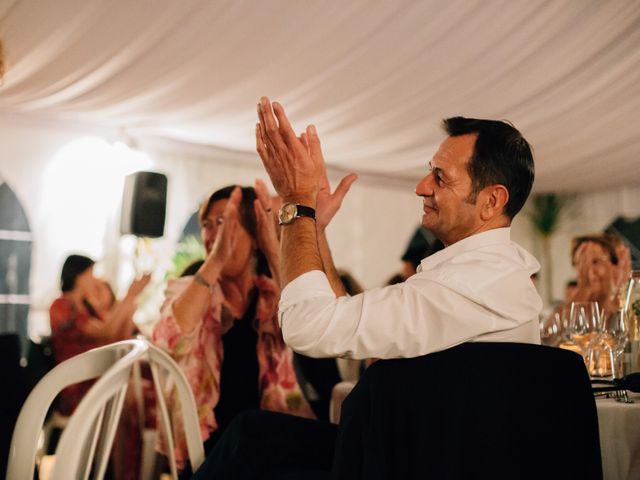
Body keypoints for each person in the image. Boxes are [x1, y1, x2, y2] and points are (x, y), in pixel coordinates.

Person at [190, 99, 542, 478]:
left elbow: (306, 327)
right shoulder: (490, 274)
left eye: (440, 177)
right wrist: (317, 232)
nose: (422, 187)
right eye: (429, 172)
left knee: (250, 437)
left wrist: (296, 204)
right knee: (255, 434)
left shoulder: (466, 285)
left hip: (411, 462)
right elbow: (345, 317)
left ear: (491, 201)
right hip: (412, 451)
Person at [151, 181, 315, 470]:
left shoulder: (270, 293)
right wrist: (215, 261)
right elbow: (166, 343)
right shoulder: (192, 288)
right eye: (207, 225)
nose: (214, 233)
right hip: (206, 448)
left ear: (254, 234)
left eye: (224, 222)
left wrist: (273, 247)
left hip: (265, 442)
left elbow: (309, 328)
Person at [49, 254, 150, 415]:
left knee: (143, 383)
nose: (94, 279)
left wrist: (131, 301)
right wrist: (130, 295)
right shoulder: (61, 306)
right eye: (91, 274)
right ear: (79, 277)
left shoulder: (88, 307)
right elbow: (108, 333)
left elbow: (117, 335)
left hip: (98, 376)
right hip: (78, 381)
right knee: (133, 393)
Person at [568, 233, 631, 317]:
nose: (588, 271)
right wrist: (584, 289)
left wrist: (620, 288)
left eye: (595, 262)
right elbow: (555, 326)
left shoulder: (629, 305)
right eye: (581, 263)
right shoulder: (572, 304)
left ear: (614, 266)